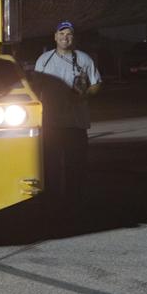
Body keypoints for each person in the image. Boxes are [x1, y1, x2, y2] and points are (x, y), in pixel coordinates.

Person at [31, 21, 102, 210]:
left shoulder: (84, 59)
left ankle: (75, 200)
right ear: (55, 37)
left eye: (69, 34)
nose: (65, 38)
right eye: (61, 34)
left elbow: (96, 83)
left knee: (76, 165)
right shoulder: (43, 60)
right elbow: (34, 89)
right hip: (50, 123)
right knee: (49, 165)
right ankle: (52, 199)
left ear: (74, 38)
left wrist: (86, 94)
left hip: (76, 124)